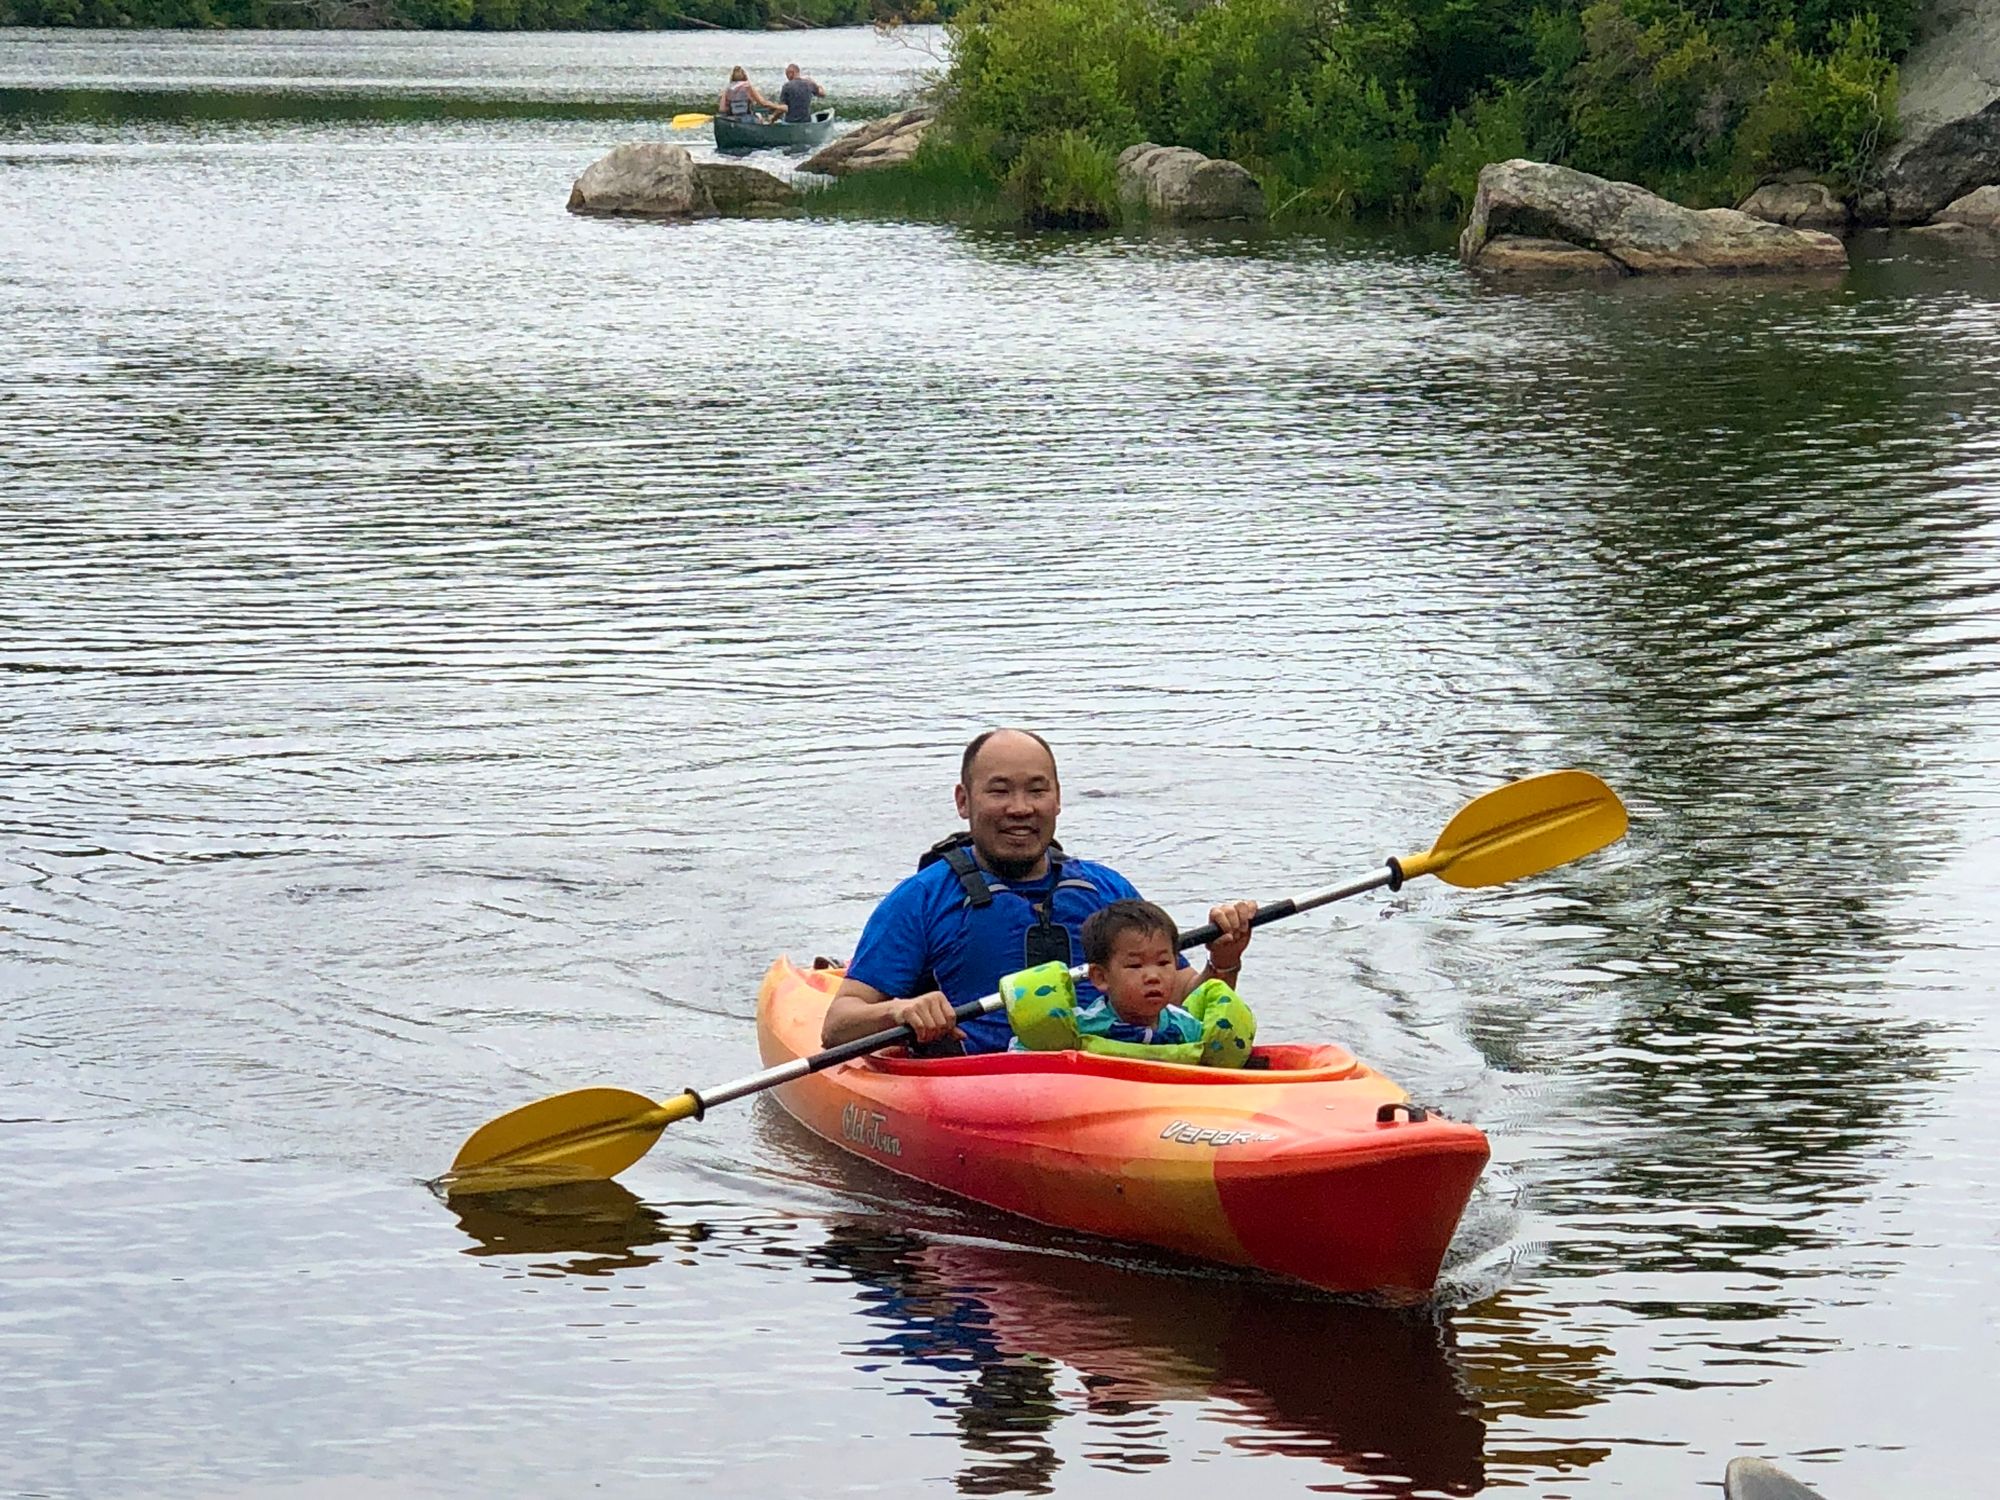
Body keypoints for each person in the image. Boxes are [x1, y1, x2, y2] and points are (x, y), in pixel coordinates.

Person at [821, 728, 1257, 1055]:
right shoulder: (921, 899)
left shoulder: (1106, 890)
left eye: (1036, 790)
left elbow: (1178, 993)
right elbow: (838, 1024)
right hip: (982, 1087)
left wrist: (1224, 960)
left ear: (1058, 799)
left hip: (1114, 1073)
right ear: (963, 801)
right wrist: (899, 1011)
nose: (1020, 808)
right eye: (999, 791)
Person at [1001, 899, 1256, 1066]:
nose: (1153, 975)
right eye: (1135, 965)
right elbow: (1018, 1063)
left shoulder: (1191, 1030)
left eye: (1164, 963)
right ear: (1100, 978)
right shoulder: (1079, 1029)